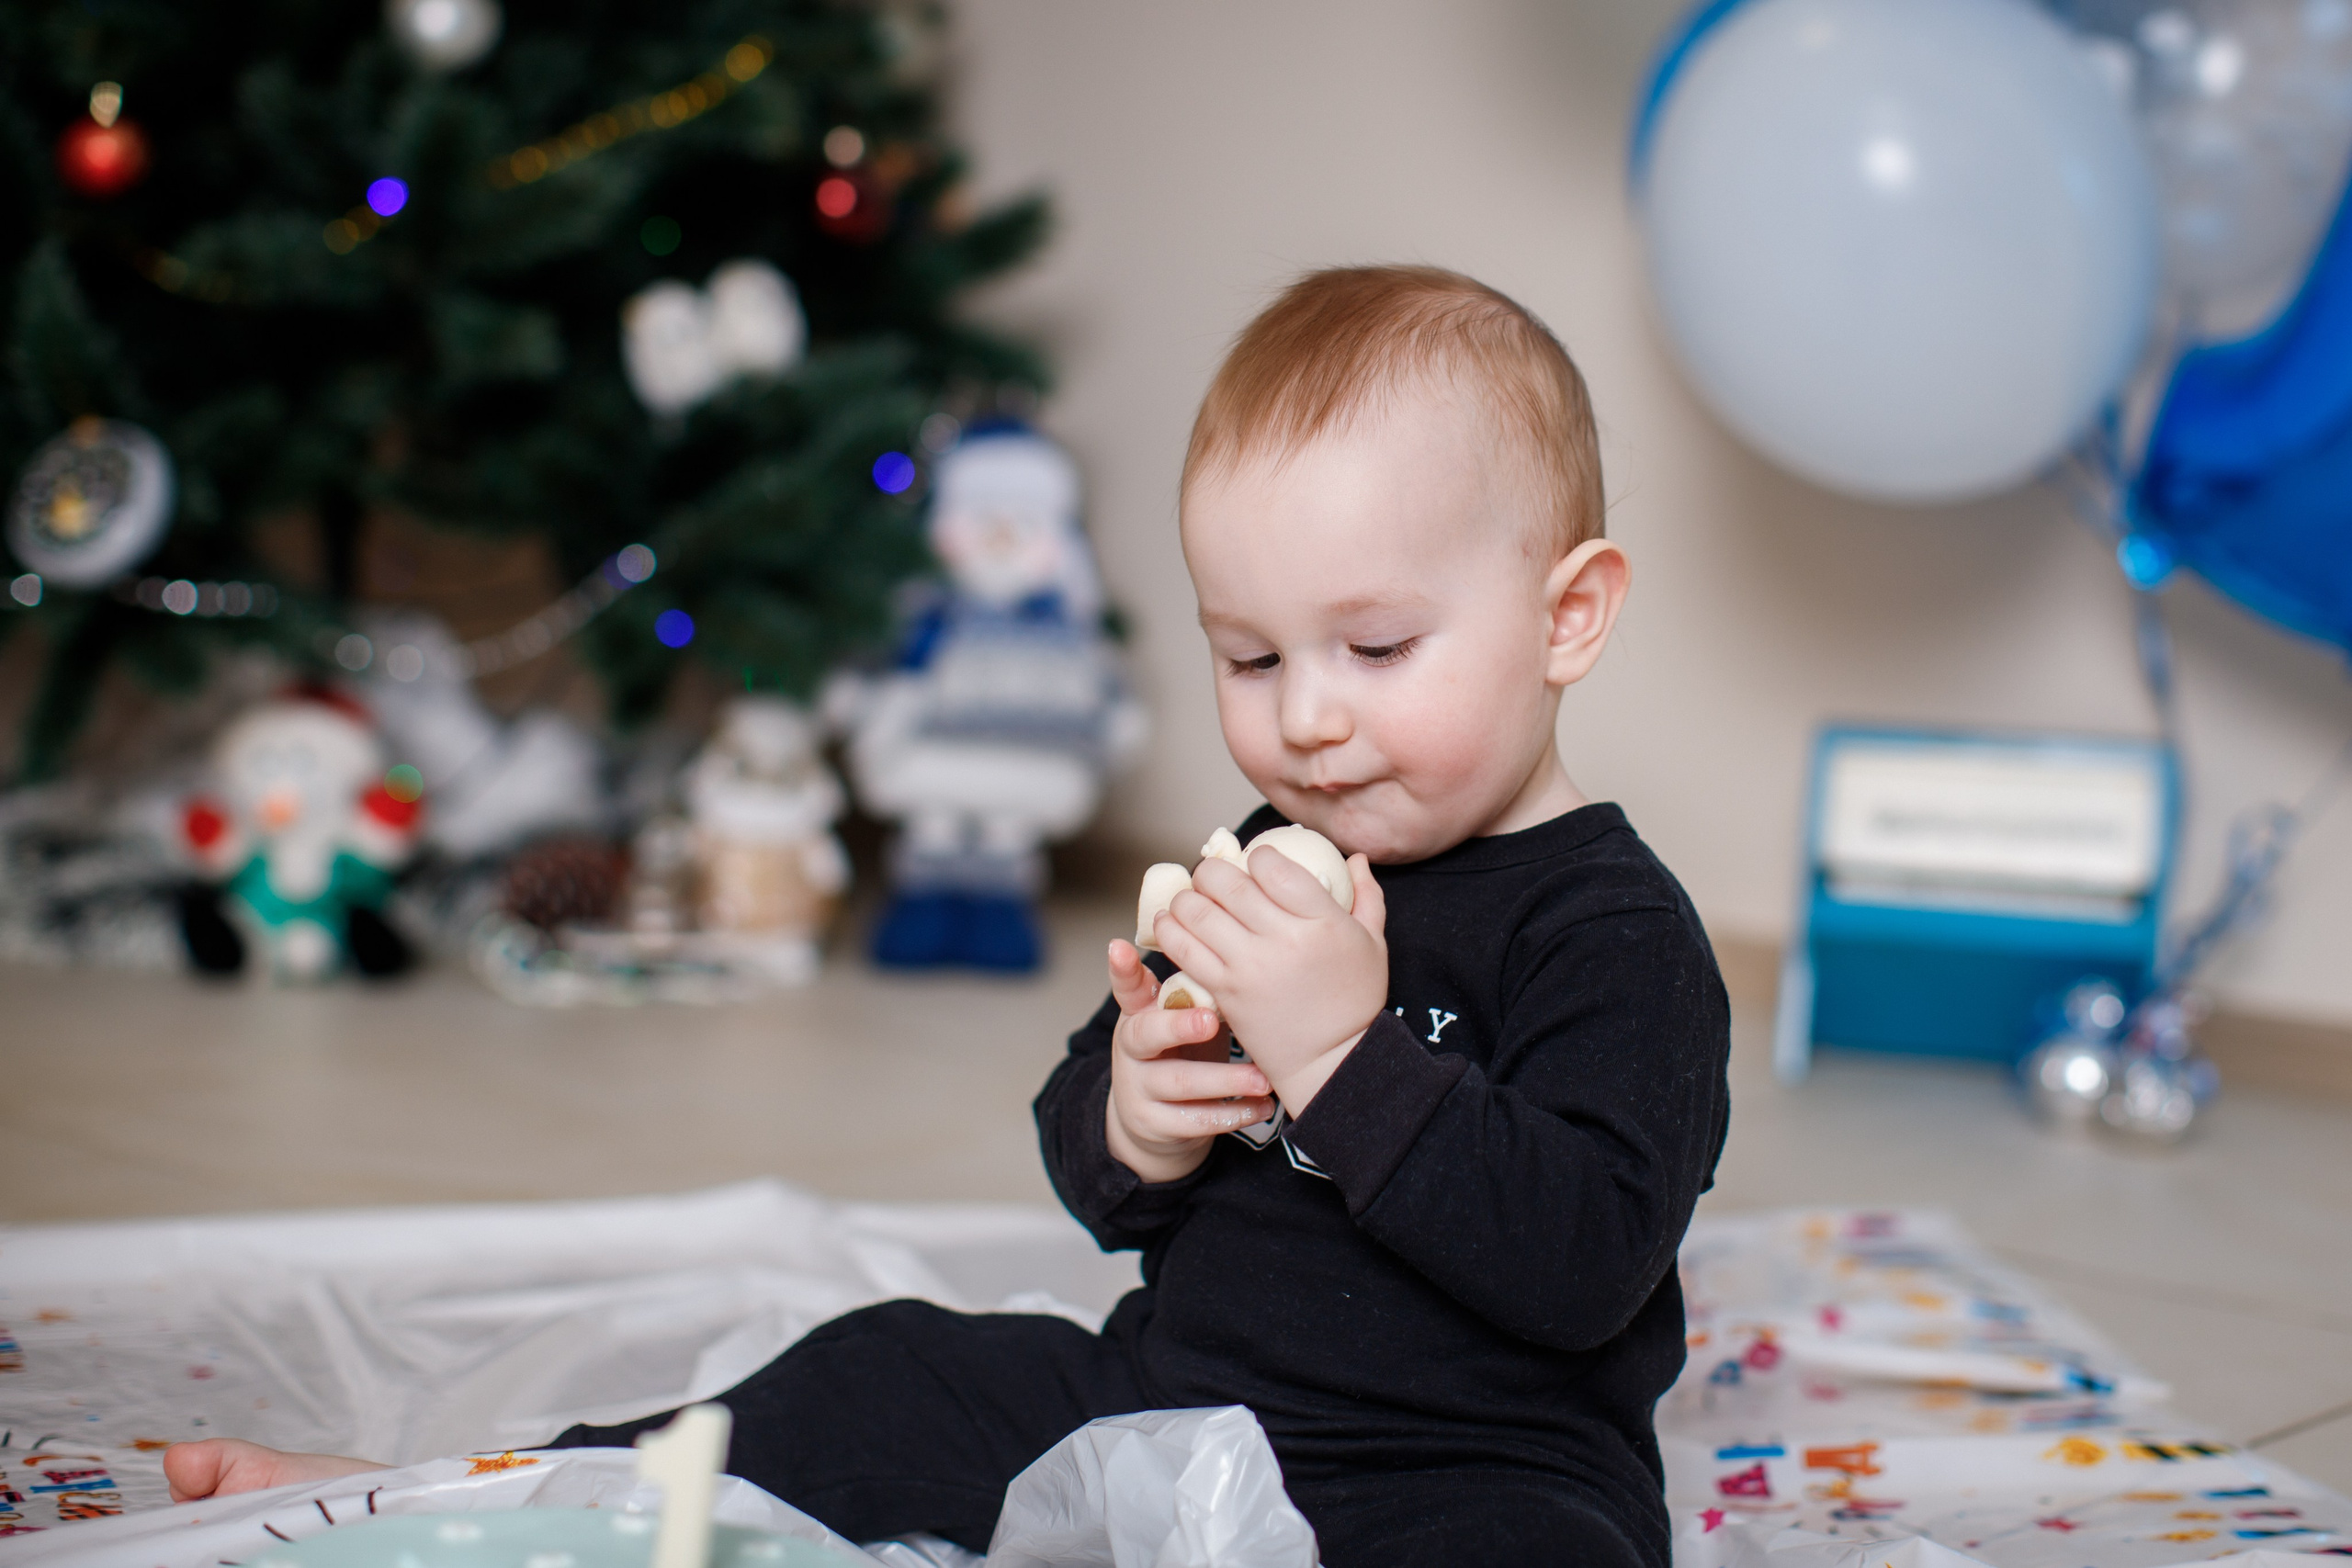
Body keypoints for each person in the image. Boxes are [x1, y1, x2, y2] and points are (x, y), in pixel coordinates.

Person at [164, 265, 1732, 1568]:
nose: (1305, 722)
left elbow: (1584, 1263)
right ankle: (499, 1501)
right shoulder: (1266, 856)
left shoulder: (1614, 934)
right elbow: (1090, 1178)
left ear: (1567, 615)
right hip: (1170, 1400)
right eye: (1250, 660)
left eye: (1376, 647)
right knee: (881, 1371)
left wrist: (1343, 1052)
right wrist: (1138, 1113)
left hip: (1469, 1473)